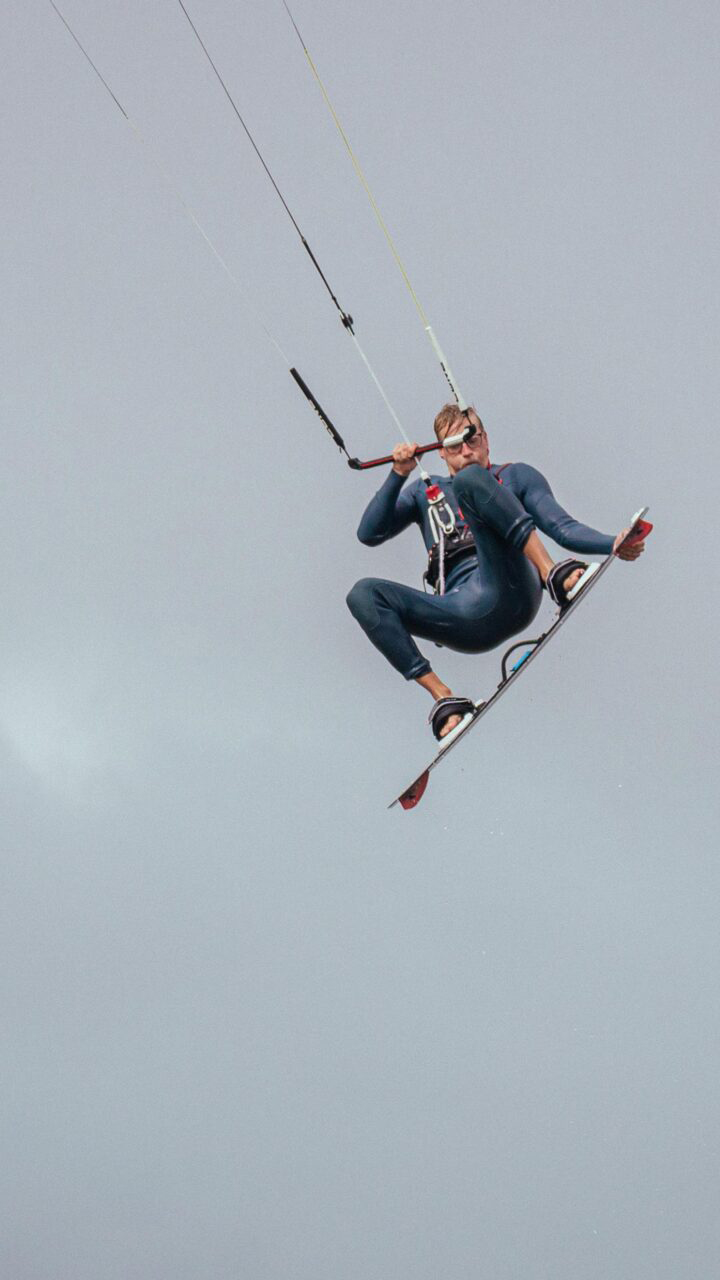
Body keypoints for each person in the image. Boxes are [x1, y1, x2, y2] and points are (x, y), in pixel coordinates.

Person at [346, 404, 645, 742]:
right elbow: (368, 533)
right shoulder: (423, 494)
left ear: (486, 439)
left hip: (512, 587)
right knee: (363, 594)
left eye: (471, 439)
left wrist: (613, 543)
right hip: (461, 615)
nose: (466, 451)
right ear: (441, 454)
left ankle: (552, 574)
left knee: (472, 480)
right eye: (454, 446)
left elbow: (562, 527)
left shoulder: (516, 476)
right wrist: (399, 472)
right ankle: (444, 698)